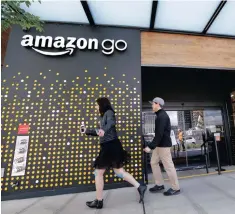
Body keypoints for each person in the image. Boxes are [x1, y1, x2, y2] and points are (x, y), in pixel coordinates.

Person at [82, 97, 147, 209]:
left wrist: (103, 130)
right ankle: (140, 186)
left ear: (102, 104)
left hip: (110, 146)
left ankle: (99, 201)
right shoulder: (101, 116)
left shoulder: (109, 113)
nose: (95, 107)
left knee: (98, 172)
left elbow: (111, 124)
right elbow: (100, 132)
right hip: (109, 146)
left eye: (97, 105)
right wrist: (87, 131)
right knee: (119, 172)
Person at [144, 97, 180, 196]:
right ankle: (159, 184)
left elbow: (159, 134)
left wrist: (150, 146)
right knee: (153, 162)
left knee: (168, 166)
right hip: (159, 145)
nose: (151, 105)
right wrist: (153, 145)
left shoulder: (162, 116)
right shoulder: (159, 115)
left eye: (153, 104)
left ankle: (175, 188)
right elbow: (159, 134)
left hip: (163, 146)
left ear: (157, 104)